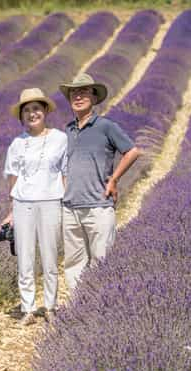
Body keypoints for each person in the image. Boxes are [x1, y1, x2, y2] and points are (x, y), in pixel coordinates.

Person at [59, 72, 140, 292]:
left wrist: (114, 179)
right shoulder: (67, 130)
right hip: (70, 208)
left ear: (94, 98)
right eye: (74, 93)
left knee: (101, 261)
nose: (78, 97)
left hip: (98, 205)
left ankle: (99, 306)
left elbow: (132, 151)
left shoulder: (105, 126)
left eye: (84, 92)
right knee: (73, 264)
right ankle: (78, 307)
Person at [1, 88, 67, 325]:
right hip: (23, 204)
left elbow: (65, 172)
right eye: (27, 110)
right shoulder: (17, 143)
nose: (32, 114)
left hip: (51, 201)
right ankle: (28, 308)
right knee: (25, 259)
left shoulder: (60, 138)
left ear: (45, 111)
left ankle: (50, 306)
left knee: (50, 257)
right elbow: (12, 177)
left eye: (36, 109)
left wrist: (66, 201)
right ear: (22, 116)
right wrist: (11, 211)